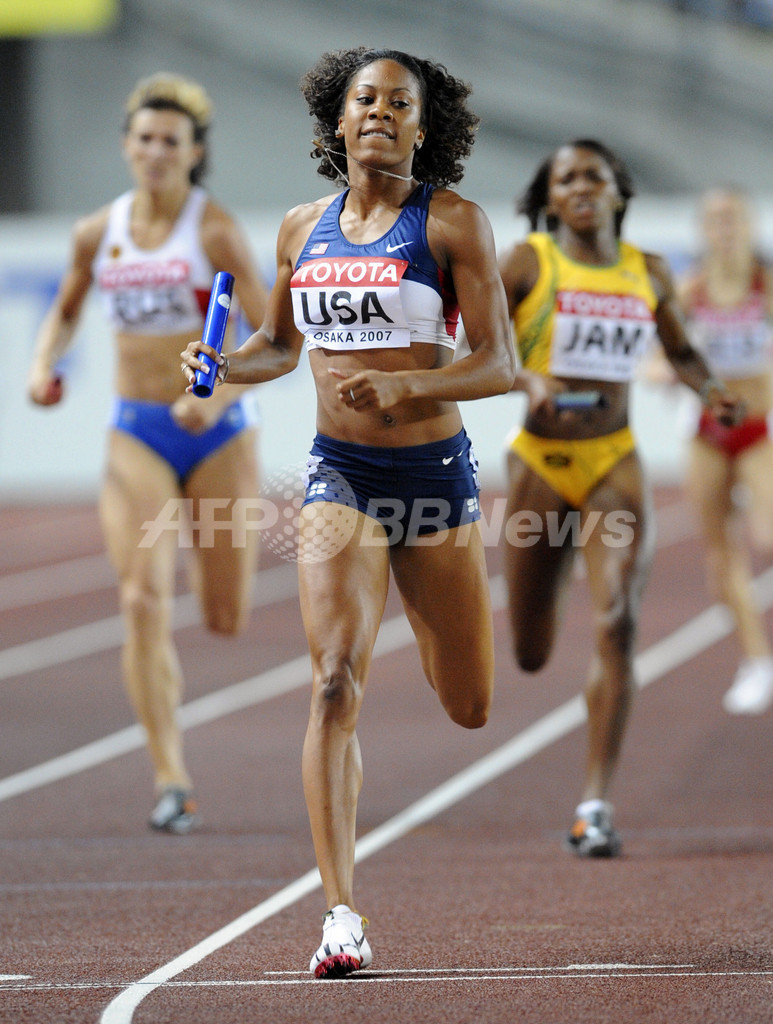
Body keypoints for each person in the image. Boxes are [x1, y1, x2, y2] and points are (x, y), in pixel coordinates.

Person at [181, 47, 525, 977]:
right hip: (338, 477)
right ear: (337, 122)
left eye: (398, 103)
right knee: (334, 680)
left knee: (470, 706)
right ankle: (340, 914)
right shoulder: (303, 227)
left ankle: (430, 631)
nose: (378, 111)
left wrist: (407, 391)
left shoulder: (451, 224)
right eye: (362, 99)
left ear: (423, 127)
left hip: (435, 480)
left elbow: (501, 366)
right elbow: (274, 347)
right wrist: (218, 367)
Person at [27, 73, 269, 833]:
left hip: (220, 434)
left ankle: (175, 760)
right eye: (145, 138)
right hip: (135, 429)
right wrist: (43, 367)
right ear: (127, 146)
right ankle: (170, 776)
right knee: (140, 599)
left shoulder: (216, 230)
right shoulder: (99, 232)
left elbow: (269, 339)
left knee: (225, 615)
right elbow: (63, 315)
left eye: (172, 140)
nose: (156, 151)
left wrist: (216, 395)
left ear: (195, 153)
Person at [497, 139, 744, 858]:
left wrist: (709, 389)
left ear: (616, 193)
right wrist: (523, 380)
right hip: (539, 463)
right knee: (530, 649)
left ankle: (594, 801)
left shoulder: (647, 270)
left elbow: (682, 348)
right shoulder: (526, 264)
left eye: (593, 177)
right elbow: (479, 354)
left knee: (617, 622)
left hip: (614, 462)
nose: (580, 187)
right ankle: (542, 610)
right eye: (565, 178)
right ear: (548, 198)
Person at [676, 185, 773, 714]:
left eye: (733, 216)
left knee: (767, 534)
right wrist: (662, 369)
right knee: (721, 558)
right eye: (715, 219)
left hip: (758, 429)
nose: (725, 227)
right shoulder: (692, 290)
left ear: (749, 224)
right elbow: (665, 350)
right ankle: (757, 661)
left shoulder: (765, 284)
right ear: (704, 230)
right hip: (708, 433)